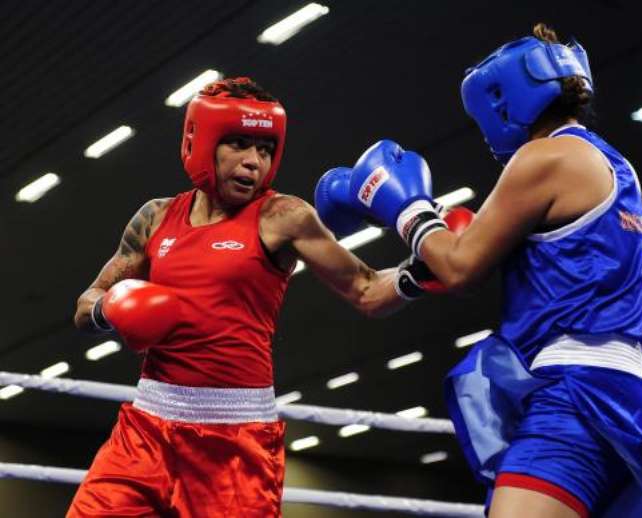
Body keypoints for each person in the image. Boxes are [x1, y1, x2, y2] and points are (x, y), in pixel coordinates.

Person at [315, 23, 642, 518]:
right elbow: (379, 293)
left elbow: (460, 267)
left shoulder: (544, 157)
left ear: (504, 102)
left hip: (575, 398)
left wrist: (406, 206)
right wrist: (415, 268)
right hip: (629, 403)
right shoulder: (614, 164)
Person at [68, 77, 451, 517]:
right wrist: (109, 308)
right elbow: (86, 303)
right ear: (202, 141)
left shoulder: (283, 216)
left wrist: (416, 274)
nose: (254, 162)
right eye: (239, 144)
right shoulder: (155, 218)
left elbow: (365, 289)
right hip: (145, 431)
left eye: (265, 149)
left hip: (235, 441)